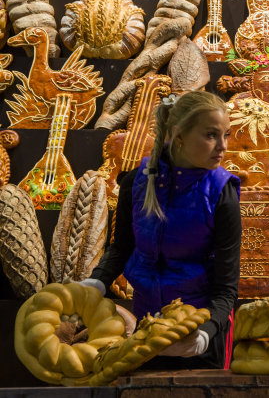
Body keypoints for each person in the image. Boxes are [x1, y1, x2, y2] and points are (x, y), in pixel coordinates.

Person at [85, 91, 242, 369]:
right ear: (179, 135)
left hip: (202, 330)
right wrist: (97, 281)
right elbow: (122, 246)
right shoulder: (136, 182)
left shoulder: (222, 193)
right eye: (211, 135)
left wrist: (205, 335)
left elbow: (226, 287)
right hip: (146, 326)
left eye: (226, 135)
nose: (222, 146)